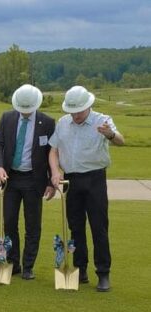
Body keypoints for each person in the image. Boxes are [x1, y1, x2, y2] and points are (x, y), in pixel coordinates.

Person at [49, 85, 124, 292]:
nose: (75, 116)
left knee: (98, 226)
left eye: (79, 112)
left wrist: (110, 135)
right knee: (75, 227)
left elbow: (120, 141)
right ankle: (80, 269)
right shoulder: (63, 123)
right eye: (72, 112)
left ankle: (103, 273)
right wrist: (55, 172)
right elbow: (53, 150)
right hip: (71, 181)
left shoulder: (103, 120)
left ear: (88, 106)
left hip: (95, 179)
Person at [0, 84, 56, 280]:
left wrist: (51, 182)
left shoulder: (48, 122)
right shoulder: (7, 118)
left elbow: (52, 153)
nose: (25, 113)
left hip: (34, 180)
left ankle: (28, 266)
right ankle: (13, 262)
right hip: (11, 178)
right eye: (22, 109)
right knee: (9, 222)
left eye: (28, 109)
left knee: (33, 225)